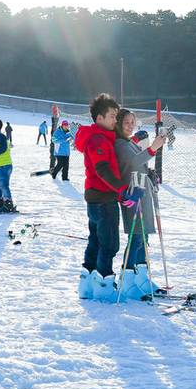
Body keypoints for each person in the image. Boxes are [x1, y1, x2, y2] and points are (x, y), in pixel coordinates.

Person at [73, 94, 142, 303]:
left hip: (96, 198)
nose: (115, 120)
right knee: (109, 244)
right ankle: (103, 286)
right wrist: (122, 190)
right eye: (112, 116)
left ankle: (87, 284)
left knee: (95, 240)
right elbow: (103, 169)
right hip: (103, 199)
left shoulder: (100, 137)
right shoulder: (98, 140)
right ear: (100, 118)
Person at [114, 109, 166, 299]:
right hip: (132, 194)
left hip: (142, 191)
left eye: (132, 122)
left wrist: (149, 172)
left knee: (143, 238)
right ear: (118, 123)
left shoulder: (128, 142)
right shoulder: (119, 143)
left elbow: (139, 163)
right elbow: (133, 163)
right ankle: (127, 280)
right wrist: (153, 148)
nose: (130, 125)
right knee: (136, 237)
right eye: (126, 122)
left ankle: (141, 277)